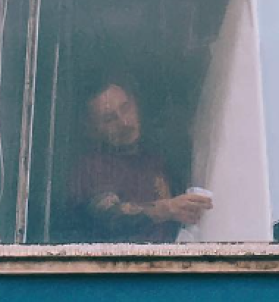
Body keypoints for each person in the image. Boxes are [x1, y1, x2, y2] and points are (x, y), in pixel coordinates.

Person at [68, 80, 212, 242]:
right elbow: (110, 215)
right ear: (92, 129)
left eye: (125, 108)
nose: (124, 123)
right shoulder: (92, 167)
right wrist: (167, 208)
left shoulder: (155, 158)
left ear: (135, 104)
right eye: (109, 119)